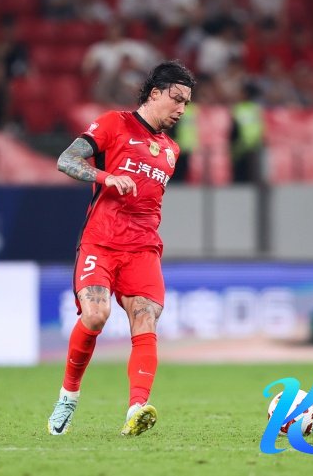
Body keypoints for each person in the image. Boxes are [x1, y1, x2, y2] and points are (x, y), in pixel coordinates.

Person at [48, 60, 195, 437]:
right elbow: (66, 160)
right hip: (101, 241)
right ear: (155, 93)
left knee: (145, 317)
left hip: (143, 248)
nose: (181, 108)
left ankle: (136, 409)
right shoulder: (114, 123)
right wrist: (106, 177)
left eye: (186, 103)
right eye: (177, 98)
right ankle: (68, 396)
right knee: (96, 315)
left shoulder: (171, 151)